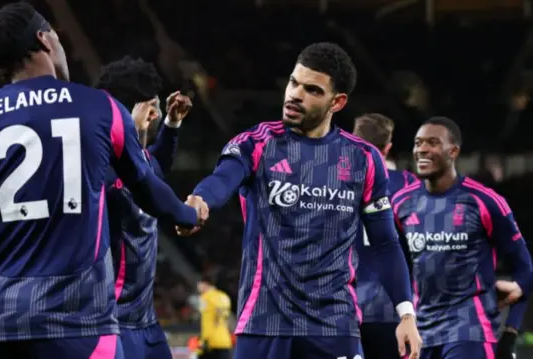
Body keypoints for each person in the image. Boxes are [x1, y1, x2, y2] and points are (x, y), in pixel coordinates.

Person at [0, 3, 206, 359]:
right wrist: (188, 215)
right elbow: (149, 189)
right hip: (84, 327)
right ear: (45, 39)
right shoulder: (101, 108)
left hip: (9, 330)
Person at [178, 42, 422, 359]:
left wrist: (406, 314)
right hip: (264, 325)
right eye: (294, 83)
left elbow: (386, 243)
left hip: (335, 327)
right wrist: (200, 199)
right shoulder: (258, 142)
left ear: (337, 102)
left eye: (312, 90)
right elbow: (223, 178)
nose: (295, 94)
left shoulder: (363, 160)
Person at [392, 116, 533, 359]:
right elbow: (395, 265)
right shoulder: (401, 203)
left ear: (453, 151)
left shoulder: (484, 201)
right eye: (418, 143)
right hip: (420, 330)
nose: (422, 149)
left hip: (470, 329)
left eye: (433, 142)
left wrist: (510, 333)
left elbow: (525, 270)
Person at [95, 56, 192, 359]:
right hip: (112, 322)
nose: (157, 112)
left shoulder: (144, 164)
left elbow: (156, 166)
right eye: (153, 106)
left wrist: (172, 125)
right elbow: (134, 179)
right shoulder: (102, 165)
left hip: (145, 321)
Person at [352, 113, 417, 359]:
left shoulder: (332, 181)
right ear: (388, 147)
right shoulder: (409, 185)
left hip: (344, 308)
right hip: (395, 309)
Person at [196, 274, 233, 359]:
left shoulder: (205, 297)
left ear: (205, 284)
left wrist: (204, 340)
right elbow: (226, 318)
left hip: (210, 342)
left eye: (199, 284)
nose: (198, 286)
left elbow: (206, 319)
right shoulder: (224, 296)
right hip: (224, 340)